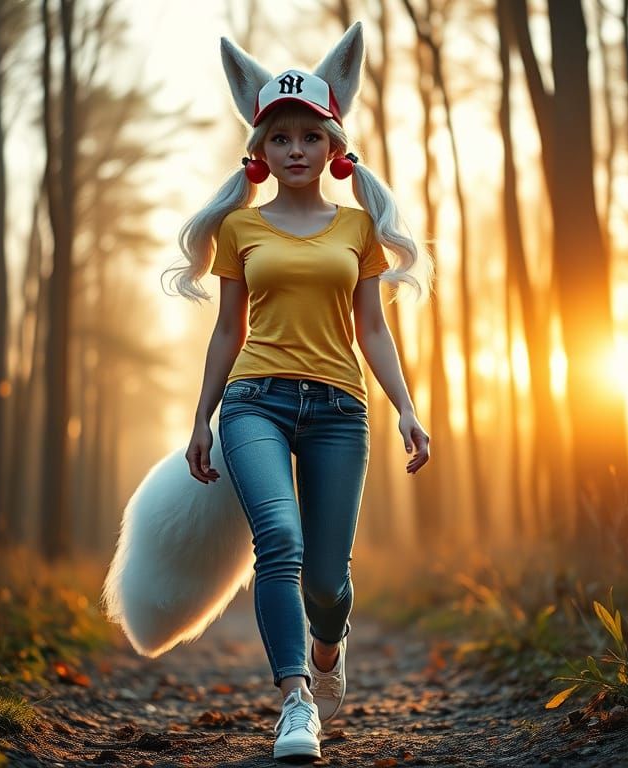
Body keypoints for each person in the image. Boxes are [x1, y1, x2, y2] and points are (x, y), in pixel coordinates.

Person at [164, 22, 431, 762]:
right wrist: (201, 415)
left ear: (333, 145)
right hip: (255, 401)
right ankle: (294, 702)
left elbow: (372, 329)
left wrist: (407, 409)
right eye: (279, 138)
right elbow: (226, 332)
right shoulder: (239, 231)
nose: (295, 151)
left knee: (328, 579)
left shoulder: (359, 227)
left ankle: (326, 646)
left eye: (308, 137)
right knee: (275, 539)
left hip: (341, 412)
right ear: (260, 153)